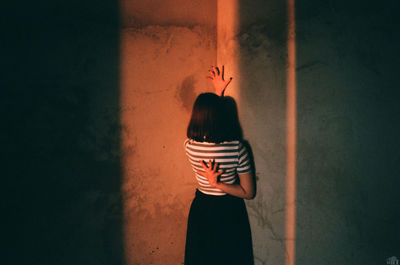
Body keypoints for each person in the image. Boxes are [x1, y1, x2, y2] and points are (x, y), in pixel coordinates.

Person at [184, 66, 255, 265]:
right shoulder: (236, 149)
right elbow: (248, 192)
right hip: (228, 210)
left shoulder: (189, 147)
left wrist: (218, 93)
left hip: (202, 209)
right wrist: (218, 184)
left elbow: (210, 125)